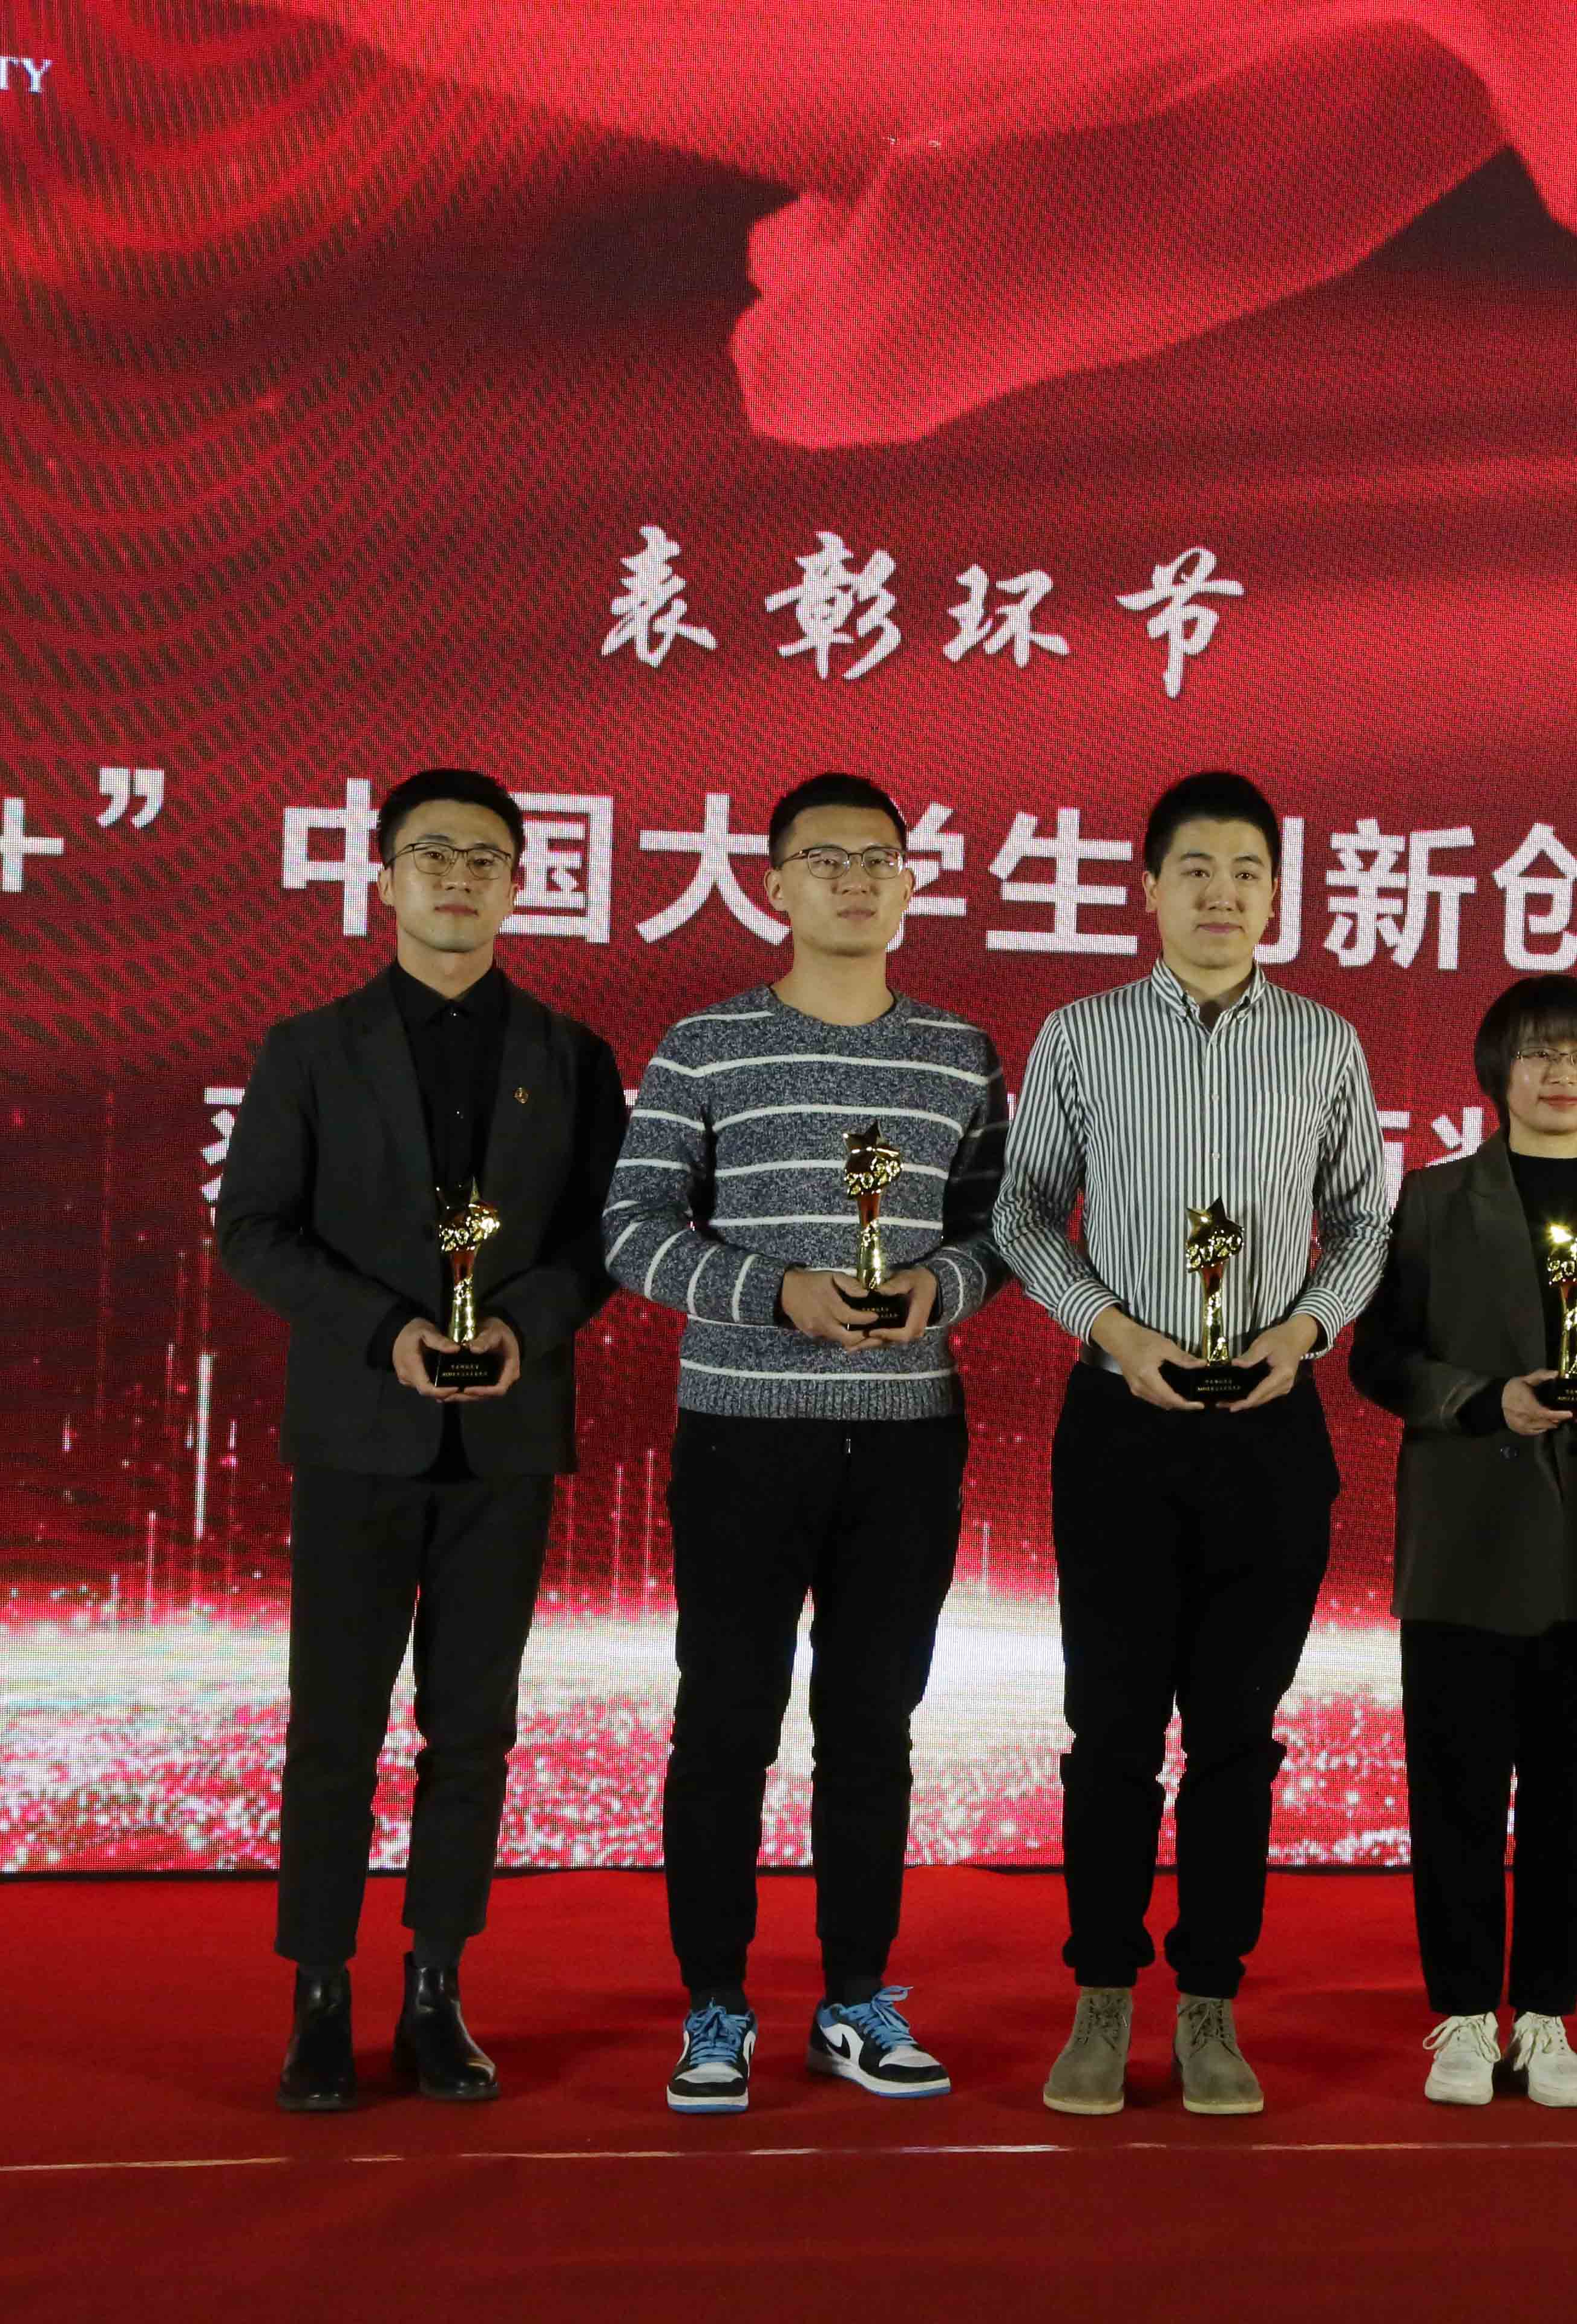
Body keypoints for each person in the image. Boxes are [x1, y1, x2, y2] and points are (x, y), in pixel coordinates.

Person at [214, 767, 628, 2111]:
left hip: (506, 1438)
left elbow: (606, 1238)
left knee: (474, 1731)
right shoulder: (309, 1049)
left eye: (486, 858)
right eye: (433, 854)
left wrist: (526, 1327)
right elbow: (252, 1231)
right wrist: (386, 1333)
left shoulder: (570, 1057)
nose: (460, 877)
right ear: (383, 877)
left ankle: (438, 1987)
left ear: (519, 885)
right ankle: (318, 1994)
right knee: (333, 1729)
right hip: (358, 1434)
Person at [604, 772, 1012, 2115]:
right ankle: (715, 2006)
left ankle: (855, 1997)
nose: (854, 880)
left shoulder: (959, 1052)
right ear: (773, 884)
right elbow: (631, 1229)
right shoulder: (705, 1045)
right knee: (726, 1723)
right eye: (825, 859)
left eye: (879, 859)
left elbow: (996, 1231)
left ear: (909, 884)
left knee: (873, 1727)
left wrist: (935, 1290)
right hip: (741, 1435)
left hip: (905, 1441)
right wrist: (778, 1293)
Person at [993, 769, 1392, 2118]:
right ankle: (1102, 1997)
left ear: (1278, 892)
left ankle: (1211, 2000)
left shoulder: (1325, 1043)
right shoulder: (1082, 1035)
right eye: (1197, 870)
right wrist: (1111, 1328)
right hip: (1122, 1423)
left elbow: (1366, 1219)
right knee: (1109, 1729)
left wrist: (1305, 1335)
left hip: (1271, 1426)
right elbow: (1024, 1212)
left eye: (1248, 872)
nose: (1223, 894)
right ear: (1151, 887)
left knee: (1237, 1737)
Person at [1351, 974, 1577, 2108]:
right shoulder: (1430, 1201)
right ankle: (1462, 2015)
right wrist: (1477, 1399)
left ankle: (1546, 2015)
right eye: (1541, 1053)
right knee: (1454, 1790)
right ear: (1496, 1071)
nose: (1563, 1074)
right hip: (1465, 1531)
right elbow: (1378, 1358)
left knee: (1571, 1795)